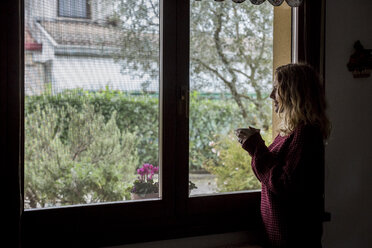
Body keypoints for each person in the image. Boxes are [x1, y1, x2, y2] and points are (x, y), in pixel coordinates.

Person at [235, 63, 331, 248]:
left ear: (294, 94)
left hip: (295, 238)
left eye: (277, 89)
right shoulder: (291, 131)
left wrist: (257, 145)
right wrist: (254, 147)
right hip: (282, 236)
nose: (271, 95)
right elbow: (273, 172)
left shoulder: (306, 133)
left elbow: (284, 183)